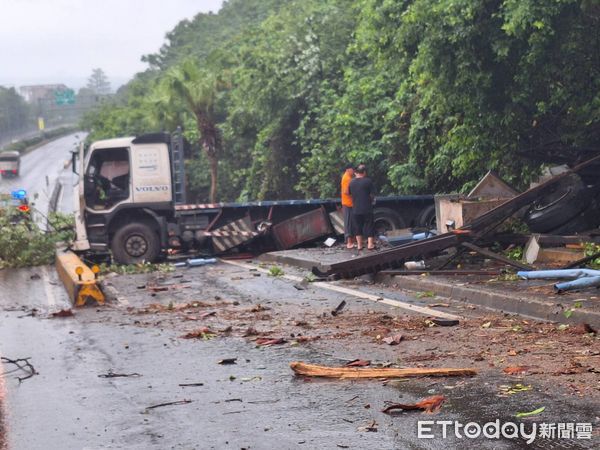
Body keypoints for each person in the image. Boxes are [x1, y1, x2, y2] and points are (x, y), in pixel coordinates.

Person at [349, 164, 376, 250]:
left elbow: (349, 193)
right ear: (364, 172)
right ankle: (370, 245)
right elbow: (372, 194)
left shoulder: (351, 182)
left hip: (356, 208)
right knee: (369, 225)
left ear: (356, 172)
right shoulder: (368, 181)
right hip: (367, 208)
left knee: (357, 226)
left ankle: (360, 245)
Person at [340, 163, 355, 249]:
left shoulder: (348, 177)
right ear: (348, 169)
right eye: (352, 169)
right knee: (349, 223)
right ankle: (349, 243)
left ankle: (351, 241)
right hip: (348, 203)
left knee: (350, 223)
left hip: (349, 203)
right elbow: (346, 191)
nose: (353, 171)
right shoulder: (346, 178)